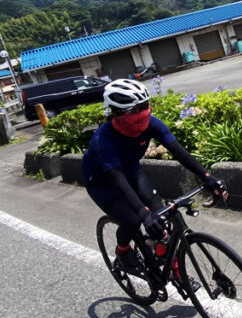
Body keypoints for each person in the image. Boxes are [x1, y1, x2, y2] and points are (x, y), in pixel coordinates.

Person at [81, 78, 226, 288]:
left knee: (162, 215)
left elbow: (179, 152)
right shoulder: (104, 140)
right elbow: (118, 180)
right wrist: (143, 213)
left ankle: (174, 272)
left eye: (146, 105)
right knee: (132, 219)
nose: (144, 112)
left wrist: (207, 177)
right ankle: (123, 252)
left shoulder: (151, 123)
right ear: (117, 113)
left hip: (131, 171)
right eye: (136, 109)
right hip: (103, 182)